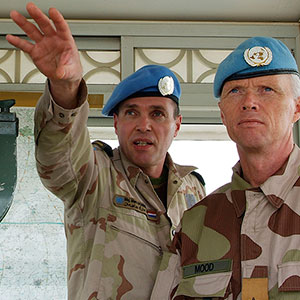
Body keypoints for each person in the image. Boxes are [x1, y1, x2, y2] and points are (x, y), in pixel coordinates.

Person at [6, 3, 206, 300]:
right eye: (131, 113)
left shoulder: (194, 189)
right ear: (115, 123)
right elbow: (57, 158)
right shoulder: (94, 175)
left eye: (158, 114)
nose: (144, 125)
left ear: (176, 125)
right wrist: (65, 87)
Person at [150, 36, 300, 300]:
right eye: (236, 91)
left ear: (296, 107)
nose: (249, 102)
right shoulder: (197, 222)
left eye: (267, 89)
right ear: (222, 114)